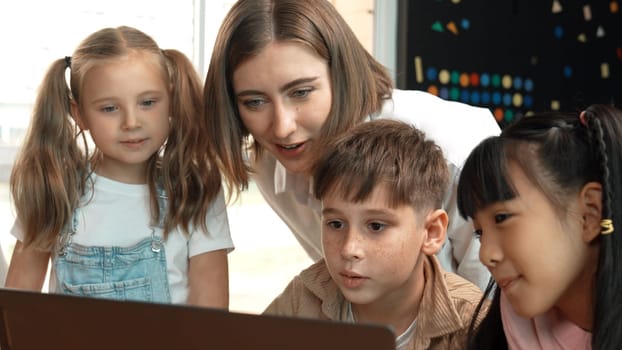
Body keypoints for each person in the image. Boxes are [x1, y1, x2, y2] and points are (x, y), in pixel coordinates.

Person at [203, 0, 499, 291]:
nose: (282, 127)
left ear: (341, 74)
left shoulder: (458, 150)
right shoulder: (272, 163)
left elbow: (495, 313)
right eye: (254, 102)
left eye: (301, 92)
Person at [5, 26, 234, 307]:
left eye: (148, 102)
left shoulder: (196, 191)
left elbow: (210, 316)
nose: (131, 122)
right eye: (109, 108)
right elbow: (15, 311)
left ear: (172, 100)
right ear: (79, 114)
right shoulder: (54, 189)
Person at [264, 119, 484, 349]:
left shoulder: (474, 324)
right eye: (336, 224)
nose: (349, 249)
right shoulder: (302, 301)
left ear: (431, 232)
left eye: (376, 226)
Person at [456, 104, 622, 349]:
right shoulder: (511, 328)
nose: (486, 255)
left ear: (590, 214)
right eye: (480, 233)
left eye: (502, 218)